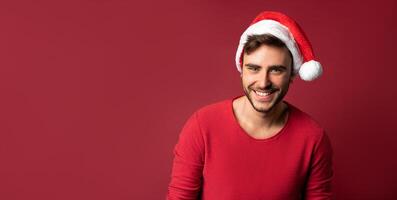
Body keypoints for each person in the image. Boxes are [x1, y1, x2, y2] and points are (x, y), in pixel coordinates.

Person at [166, 11, 333, 200]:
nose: (263, 82)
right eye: (254, 68)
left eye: (276, 70)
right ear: (241, 69)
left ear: (292, 74)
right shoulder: (202, 126)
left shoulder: (312, 138)